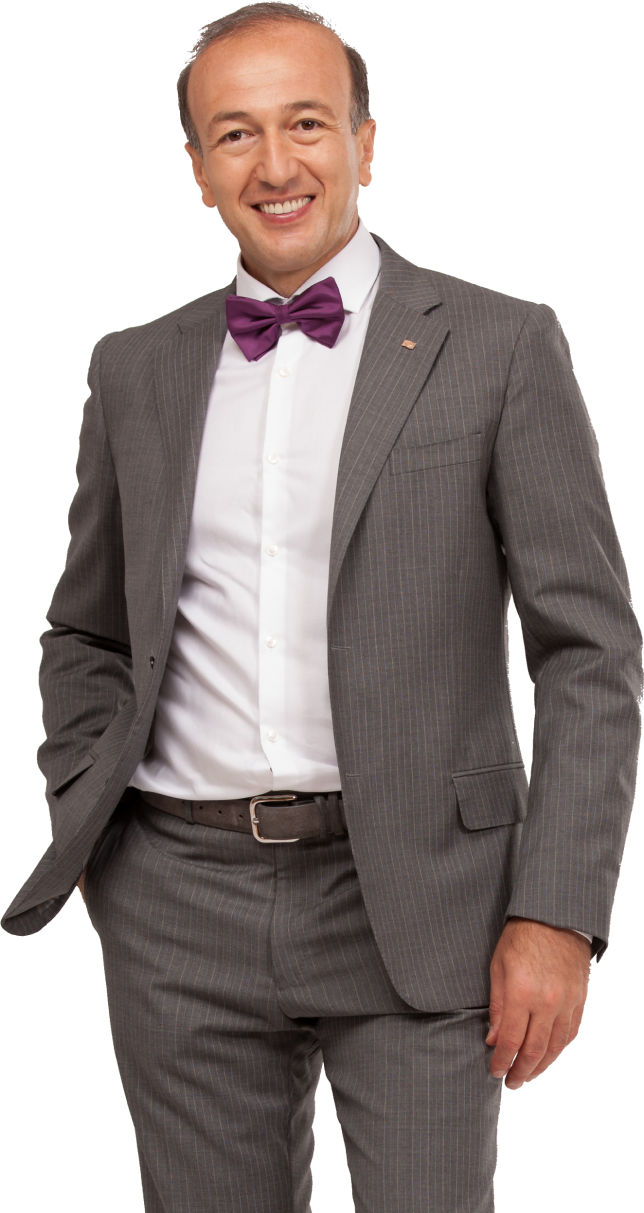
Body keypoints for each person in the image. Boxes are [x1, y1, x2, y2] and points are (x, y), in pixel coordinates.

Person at [3, 5, 641, 1211]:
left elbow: (588, 652)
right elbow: (84, 628)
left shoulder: (501, 345)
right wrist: (92, 814)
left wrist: (557, 912)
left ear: (364, 142)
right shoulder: (132, 367)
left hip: (424, 896)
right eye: (234, 134)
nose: (274, 164)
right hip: (176, 899)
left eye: (304, 123)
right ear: (198, 171)